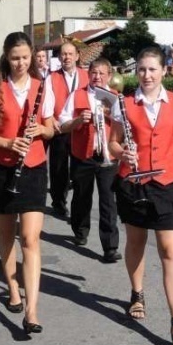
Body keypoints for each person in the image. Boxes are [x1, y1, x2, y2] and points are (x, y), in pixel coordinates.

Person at [107, 47, 173, 345]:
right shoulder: (124, 104)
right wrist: (123, 152)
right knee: (136, 242)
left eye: (152, 69)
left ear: (163, 71)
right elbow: (112, 144)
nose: (146, 75)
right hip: (133, 182)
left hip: (169, 181)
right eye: (142, 70)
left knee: (171, 250)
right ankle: (137, 293)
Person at [0, 32, 56, 335]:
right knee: (6, 235)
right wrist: (8, 142)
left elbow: (51, 130)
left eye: (25, 57)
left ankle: (32, 310)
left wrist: (39, 131)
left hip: (34, 168)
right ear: (6, 58)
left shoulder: (42, 88)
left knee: (31, 238)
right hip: (1, 168)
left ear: (32, 55)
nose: (21, 63)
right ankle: (12, 287)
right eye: (15, 58)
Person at [57, 57, 120, 263]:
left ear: (109, 76)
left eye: (102, 73)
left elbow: (128, 126)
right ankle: (80, 231)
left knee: (108, 201)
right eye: (94, 73)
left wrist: (111, 115)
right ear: (88, 74)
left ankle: (110, 246)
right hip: (83, 154)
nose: (98, 77)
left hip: (107, 155)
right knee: (82, 196)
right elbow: (63, 123)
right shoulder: (77, 95)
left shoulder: (116, 97)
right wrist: (77, 121)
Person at [47, 41, 88, 217]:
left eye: (70, 54)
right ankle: (58, 201)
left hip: (81, 129)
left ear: (77, 56)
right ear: (59, 57)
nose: (67, 57)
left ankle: (78, 205)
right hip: (60, 128)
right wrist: (52, 119)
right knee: (58, 168)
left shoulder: (86, 76)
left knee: (79, 170)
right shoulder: (51, 77)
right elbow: (46, 102)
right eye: (64, 54)